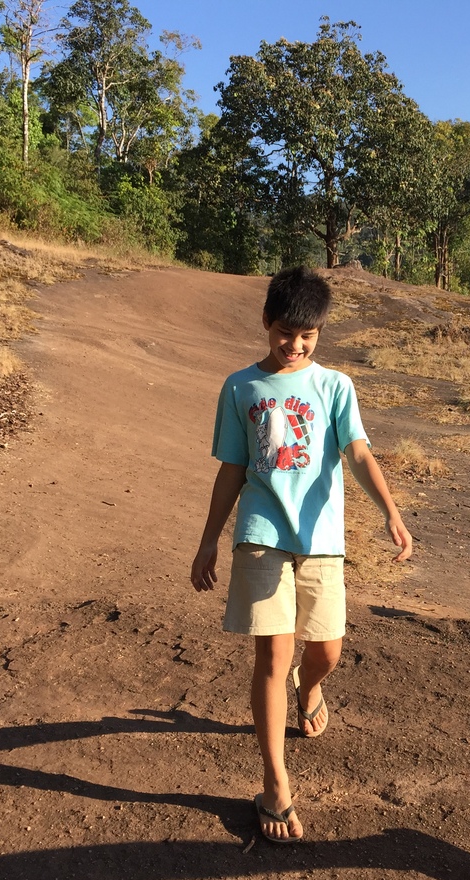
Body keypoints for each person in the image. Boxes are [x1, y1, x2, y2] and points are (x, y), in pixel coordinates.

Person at [190, 266, 413, 844]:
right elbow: (232, 469)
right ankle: (274, 783)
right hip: (261, 533)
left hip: (322, 541)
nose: (296, 345)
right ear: (267, 323)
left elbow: (358, 453)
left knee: (328, 650)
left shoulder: (335, 386)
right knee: (271, 658)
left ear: (320, 333)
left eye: (308, 335)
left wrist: (390, 510)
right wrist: (209, 537)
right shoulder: (240, 387)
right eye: (287, 332)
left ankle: (309, 688)